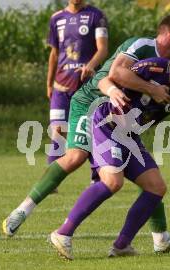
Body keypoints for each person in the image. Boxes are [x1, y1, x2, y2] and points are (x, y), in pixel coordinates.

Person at [3, 15, 170, 253]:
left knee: (151, 177)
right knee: (76, 157)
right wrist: (120, 90)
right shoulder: (141, 46)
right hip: (93, 100)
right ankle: (23, 210)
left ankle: (160, 238)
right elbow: (108, 75)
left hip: (120, 118)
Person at [49, 32, 170, 260]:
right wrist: (141, 89)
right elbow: (110, 76)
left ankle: (122, 245)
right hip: (107, 124)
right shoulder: (156, 67)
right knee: (113, 182)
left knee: (156, 187)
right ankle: (63, 233)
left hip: (129, 135)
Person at [46, 0, 108, 165]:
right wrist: (49, 83)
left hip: (87, 87)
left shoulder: (96, 16)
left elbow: (102, 49)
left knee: (92, 132)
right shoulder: (56, 18)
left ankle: (96, 177)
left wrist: (91, 66)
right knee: (58, 130)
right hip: (61, 86)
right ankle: (51, 183)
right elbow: (54, 53)